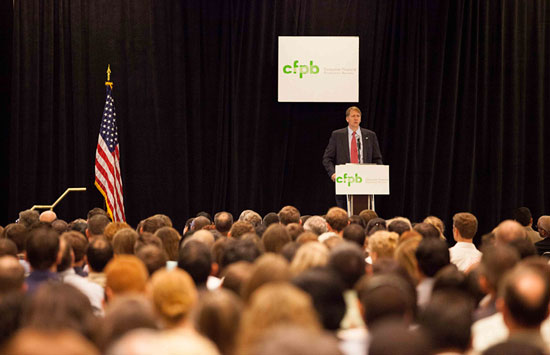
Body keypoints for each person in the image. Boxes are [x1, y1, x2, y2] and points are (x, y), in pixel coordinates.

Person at [322, 106, 383, 209]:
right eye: (353, 116)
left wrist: (378, 174)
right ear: (347, 119)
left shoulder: (370, 135)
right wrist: (333, 173)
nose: (356, 118)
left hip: (365, 180)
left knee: (364, 211)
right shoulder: (337, 135)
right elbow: (327, 158)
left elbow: (377, 158)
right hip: (345, 180)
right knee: (345, 211)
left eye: (358, 116)